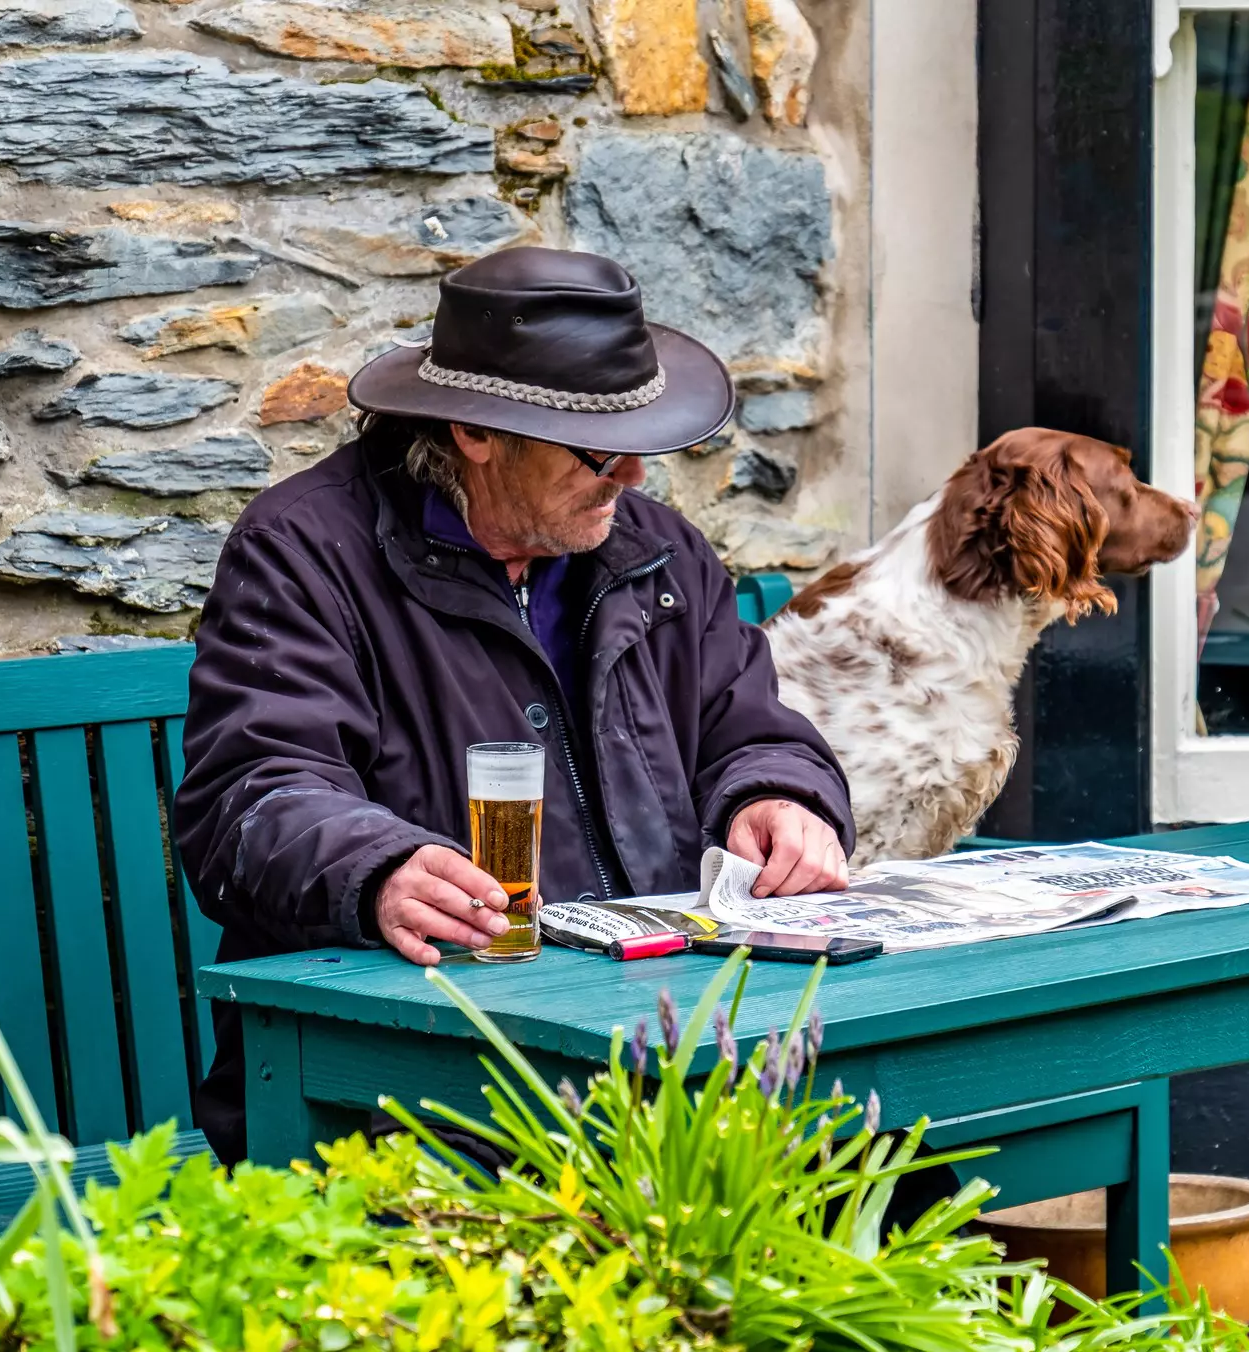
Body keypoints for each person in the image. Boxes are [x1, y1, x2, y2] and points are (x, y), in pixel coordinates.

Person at [174, 247, 856, 1163]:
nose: (634, 478)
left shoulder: (657, 549)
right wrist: (382, 870)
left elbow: (747, 727)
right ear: (476, 433)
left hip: (670, 1044)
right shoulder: (304, 549)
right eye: (599, 450)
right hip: (415, 1072)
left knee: (902, 1145)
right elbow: (251, 795)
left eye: (643, 442)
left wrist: (778, 798)